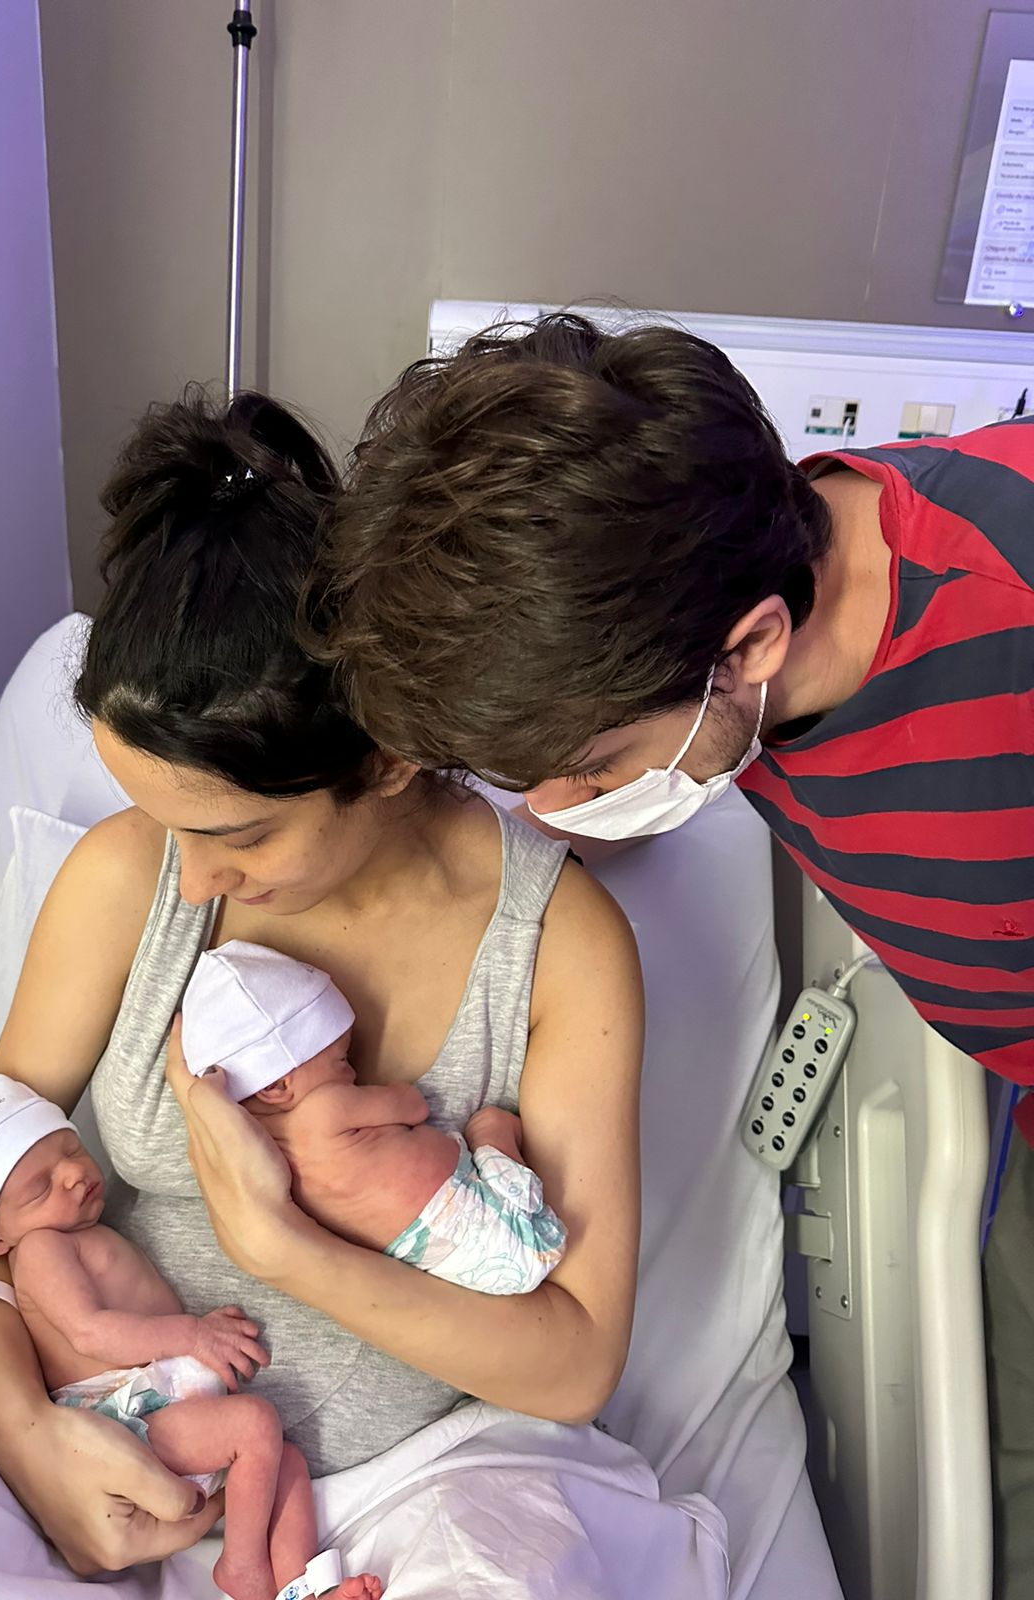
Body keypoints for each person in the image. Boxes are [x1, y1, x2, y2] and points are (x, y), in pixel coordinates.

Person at [309, 312, 1034, 1597]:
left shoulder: (1004, 641)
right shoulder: (710, 579)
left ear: (751, 646)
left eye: (591, 772)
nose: (549, 817)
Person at [0, 387, 643, 1581]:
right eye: (163, 819)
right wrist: (22, 1429)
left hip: (437, 1472)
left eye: (241, 836)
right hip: (128, 1430)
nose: (194, 876)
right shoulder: (131, 874)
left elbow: (575, 1360)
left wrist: (284, 1248)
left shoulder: (556, 945)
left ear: (387, 756)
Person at [0, 1074, 378, 1600]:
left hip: (159, 1405)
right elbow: (90, 1331)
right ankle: (242, 1570)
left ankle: (302, 1587)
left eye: (70, 1149)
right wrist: (194, 1335)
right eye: (40, 1188)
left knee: (285, 1463)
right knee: (254, 1426)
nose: (73, 1175)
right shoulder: (41, 1250)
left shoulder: (73, 1234)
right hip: (125, 1422)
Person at [182, 938, 566, 1293]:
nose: (352, 1072)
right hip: (481, 1217)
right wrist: (391, 1091)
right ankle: (517, 1176)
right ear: (277, 1086)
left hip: (436, 1257)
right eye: (341, 1059)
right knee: (491, 1122)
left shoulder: (272, 1155)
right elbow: (413, 1105)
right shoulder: (325, 1109)